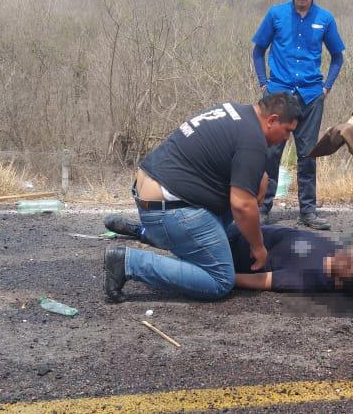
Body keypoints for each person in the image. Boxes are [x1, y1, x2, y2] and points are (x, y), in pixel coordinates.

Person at [103, 92, 301, 302]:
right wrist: (258, 246)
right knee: (220, 280)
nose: (287, 138)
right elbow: (242, 205)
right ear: (272, 120)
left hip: (155, 195)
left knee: (249, 196)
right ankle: (129, 263)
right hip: (169, 209)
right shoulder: (253, 140)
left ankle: (156, 236)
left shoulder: (235, 112)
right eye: (287, 131)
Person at [251, 0, 346, 230]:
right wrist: (263, 84)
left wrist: (327, 87)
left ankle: (308, 211)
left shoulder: (325, 19)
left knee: (307, 155)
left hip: (310, 95)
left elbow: (338, 56)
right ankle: (263, 207)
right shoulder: (276, 14)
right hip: (278, 94)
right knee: (270, 153)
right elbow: (258, 50)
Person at [105, 217, 353, 297]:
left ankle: (136, 244)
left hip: (226, 251)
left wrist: (221, 278)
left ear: (339, 283)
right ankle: (140, 231)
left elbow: (261, 282)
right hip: (241, 231)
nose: (350, 257)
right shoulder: (343, 257)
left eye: (350, 266)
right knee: (180, 235)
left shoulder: (308, 279)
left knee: (182, 246)